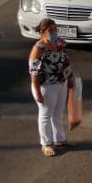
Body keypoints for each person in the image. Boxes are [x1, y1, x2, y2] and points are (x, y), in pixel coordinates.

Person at [28, 17, 73, 156]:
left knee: (58, 113)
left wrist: (70, 77)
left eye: (55, 29)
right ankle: (46, 144)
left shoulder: (59, 43)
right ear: (42, 32)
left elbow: (65, 61)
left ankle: (59, 139)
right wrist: (37, 92)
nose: (54, 32)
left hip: (61, 82)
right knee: (46, 115)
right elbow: (33, 72)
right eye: (50, 30)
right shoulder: (38, 49)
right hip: (46, 86)